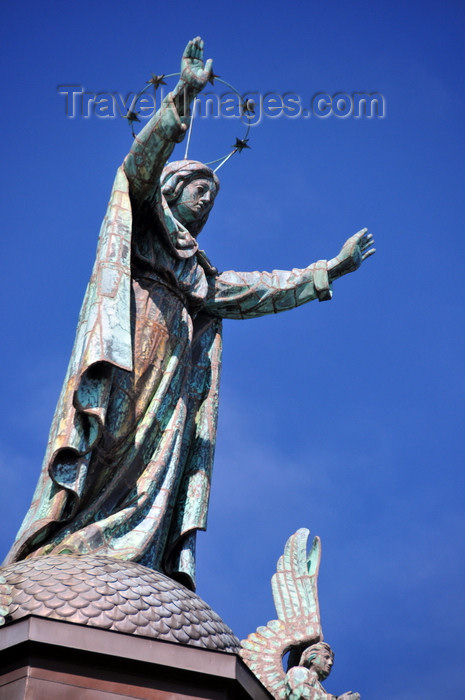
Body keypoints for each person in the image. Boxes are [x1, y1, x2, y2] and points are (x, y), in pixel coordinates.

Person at [4, 38, 375, 590]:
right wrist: (183, 95)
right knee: (115, 436)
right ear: (173, 192)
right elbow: (139, 166)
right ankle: (71, 536)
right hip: (133, 341)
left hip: (175, 368)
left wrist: (329, 271)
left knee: (160, 454)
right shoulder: (148, 229)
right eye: (198, 189)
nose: (205, 201)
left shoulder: (202, 275)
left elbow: (261, 290)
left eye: (212, 197)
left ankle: (135, 553)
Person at [285, 642, 360, 700]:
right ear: (312, 658)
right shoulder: (299, 671)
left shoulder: (320, 689)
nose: (330, 663)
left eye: (331, 661)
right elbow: (299, 692)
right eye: (326, 657)